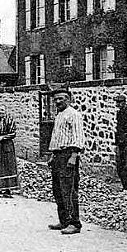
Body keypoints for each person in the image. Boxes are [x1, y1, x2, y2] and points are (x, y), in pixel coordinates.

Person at [46, 87, 85, 235]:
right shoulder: (59, 115)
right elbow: (57, 137)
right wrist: (52, 155)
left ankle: (75, 223)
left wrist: (74, 156)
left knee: (69, 190)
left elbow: (78, 137)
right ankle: (64, 220)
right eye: (55, 99)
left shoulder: (74, 115)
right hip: (58, 156)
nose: (57, 101)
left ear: (68, 99)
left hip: (69, 155)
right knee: (58, 190)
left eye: (61, 98)